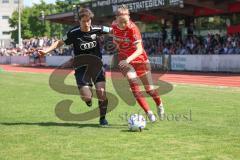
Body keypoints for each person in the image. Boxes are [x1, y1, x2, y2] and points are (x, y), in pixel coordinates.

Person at [39, 8, 112, 126]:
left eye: (89, 21)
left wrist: (126, 33)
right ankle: (87, 99)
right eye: (84, 21)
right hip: (81, 68)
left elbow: (113, 30)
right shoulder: (74, 32)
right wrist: (46, 50)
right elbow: (59, 42)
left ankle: (103, 118)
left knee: (101, 92)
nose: (87, 23)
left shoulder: (97, 29)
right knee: (86, 97)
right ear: (79, 21)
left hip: (97, 65)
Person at [111, 5, 164, 122]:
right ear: (116, 19)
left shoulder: (133, 28)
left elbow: (139, 50)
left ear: (129, 18)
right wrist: (118, 46)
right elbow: (114, 39)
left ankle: (159, 104)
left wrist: (127, 60)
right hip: (125, 61)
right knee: (134, 86)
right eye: (121, 22)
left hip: (139, 60)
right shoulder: (114, 26)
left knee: (149, 90)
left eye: (125, 21)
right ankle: (149, 113)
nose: (124, 24)